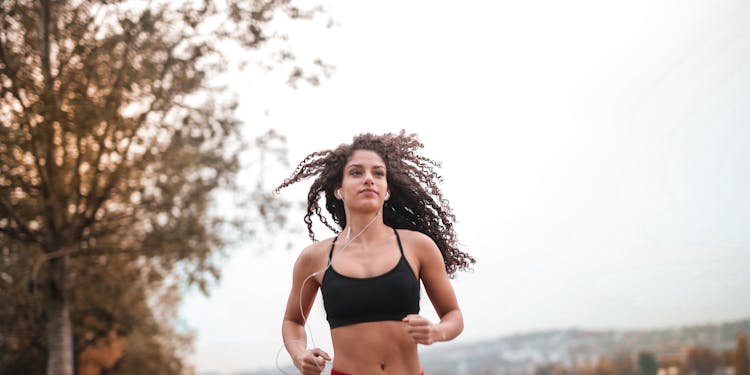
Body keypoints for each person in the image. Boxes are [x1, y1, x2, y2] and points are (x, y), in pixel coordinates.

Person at [277, 131, 475, 375]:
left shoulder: (418, 246)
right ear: (339, 189)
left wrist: (436, 332)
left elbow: (453, 315)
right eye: (356, 172)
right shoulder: (314, 258)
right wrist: (300, 356)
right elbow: (293, 321)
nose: (368, 179)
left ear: (387, 190)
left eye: (378, 173)